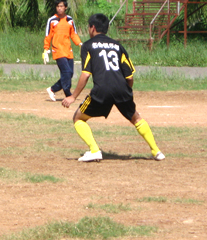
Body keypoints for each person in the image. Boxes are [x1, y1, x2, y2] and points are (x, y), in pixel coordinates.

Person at [62, 13, 164, 162]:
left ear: (92, 28)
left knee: (78, 118)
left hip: (102, 90)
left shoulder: (88, 46)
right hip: (122, 88)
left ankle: (94, 150)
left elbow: (85, 74)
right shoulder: (118, 46)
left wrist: (73, 96)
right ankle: (157, 152)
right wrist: (126, 92)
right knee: (136, 118)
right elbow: (130, 77)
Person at [43, 0, 82, 102]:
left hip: (68, 50)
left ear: (65, 7)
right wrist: (46, 50)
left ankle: (52, 89)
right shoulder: (52, 20)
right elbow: (48, 36)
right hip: (58, 50)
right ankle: (68, 94)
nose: (59, 8)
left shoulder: (69, 20)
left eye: (61, 6)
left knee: (70, 74)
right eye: (57, 6)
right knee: (66, 72)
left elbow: (73, 34)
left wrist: (80, 43)